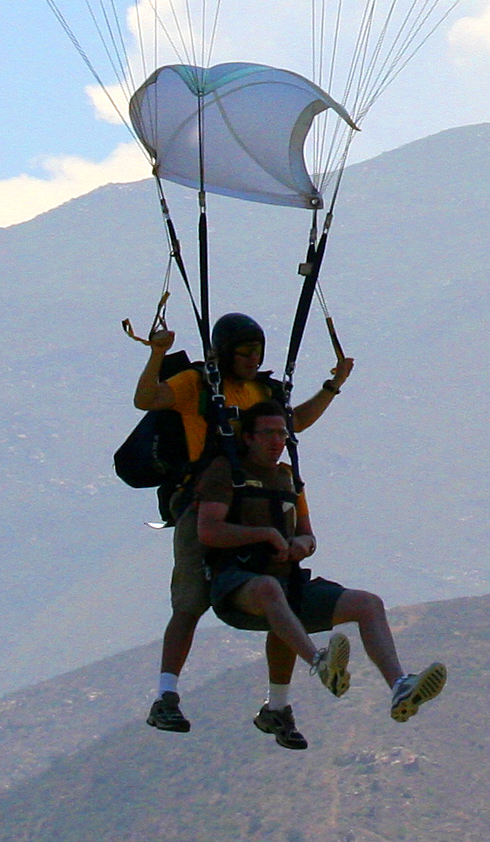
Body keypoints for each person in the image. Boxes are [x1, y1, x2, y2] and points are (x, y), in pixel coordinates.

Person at [134, 311, 343, 732]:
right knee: (190, 602)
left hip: (259, 503)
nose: (252, 358)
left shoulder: (264, 390)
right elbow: (147, 399)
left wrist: (332, 386)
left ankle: (277, 707)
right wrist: (157, 354)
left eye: (258, 352)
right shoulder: (199, 384)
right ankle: (165, 696)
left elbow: (293, 422)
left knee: (279, 596)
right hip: (205, 503)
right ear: (226, 352)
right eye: (244, 352)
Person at [195, 401, 445, 748]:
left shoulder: (288, 479)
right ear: (248, 437)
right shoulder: (225, 473)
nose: (277, 440)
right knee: (269, 589)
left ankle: (400, 686)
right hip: (236, 585)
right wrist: (263, 535)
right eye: (268, 433)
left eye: (282, 433)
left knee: (368, 604)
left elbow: (309, 535)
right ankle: (319, 662)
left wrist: (301, 544)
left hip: (287, 584)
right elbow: (208, 531)